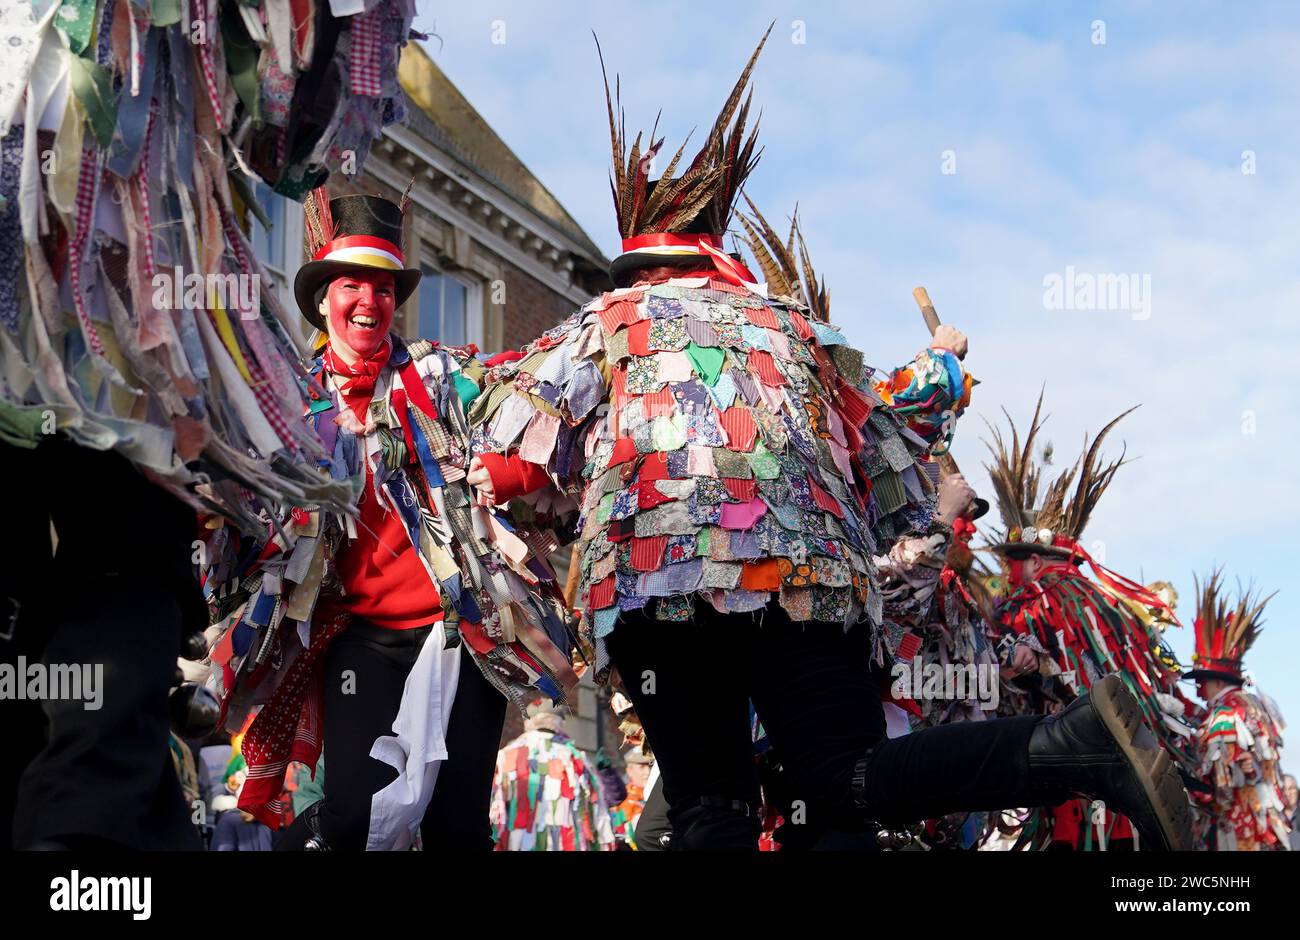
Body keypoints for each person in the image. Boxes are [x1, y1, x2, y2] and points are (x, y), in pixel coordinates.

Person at [464, 30, 1193, 851]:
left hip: (660, 588)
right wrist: (945, 374)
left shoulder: (612, 321)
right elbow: (890, 438)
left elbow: (509, 439)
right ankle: (1065, 746)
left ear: (641, 253)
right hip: (815, 588)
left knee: (711, 809)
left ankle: (1060, 749)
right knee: (845, 782)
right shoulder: (796, 330)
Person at [204, 190, 578, 851]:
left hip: (461, 628)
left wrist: (505, 475)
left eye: (382, 288)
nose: (369, 302)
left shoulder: (439, 376)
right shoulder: (296, 398)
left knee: (456, 821)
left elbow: (541, 418)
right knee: (354, 813)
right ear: (325, 298)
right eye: (353, 284)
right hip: (365, 638)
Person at [982, 396, 1197, 849]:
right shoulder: (1112, 602)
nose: (1008, 574)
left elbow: (1010, 660)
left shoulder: (1036, 600)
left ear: (1035, 561)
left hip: (1074, 769)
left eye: (1014, 564)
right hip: (1133, 774)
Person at [1186, 573, 1291, 850]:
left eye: (1204, 680)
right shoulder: (1254, 707)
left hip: (1234, 831)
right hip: (1261, 826)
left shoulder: (1225, 717)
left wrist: (1185, 781)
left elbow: (1219, 786)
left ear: (1219, 681)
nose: (1199, 687)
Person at [489, 700, 614, 851]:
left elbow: (492, 809)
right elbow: (596, 811)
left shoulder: (505, 757)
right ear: (560, 723)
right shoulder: (577, 759)